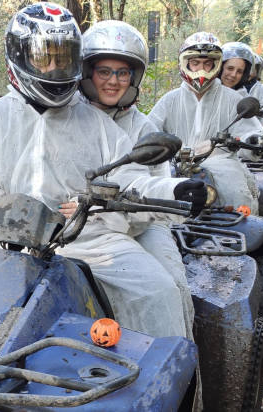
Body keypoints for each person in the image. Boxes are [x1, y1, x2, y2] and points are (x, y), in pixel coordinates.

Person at [0, 3, 203, 339]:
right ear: (20, 56)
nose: (55, 69)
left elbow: (130, 179)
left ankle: (173, 385)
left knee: (159, 292)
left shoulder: (95, 121)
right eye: (44, 58)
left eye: (64, 58)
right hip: (12, 241)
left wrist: (173, 190)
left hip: (93, 240)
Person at [73, 19, 198, 341]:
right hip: (79, 222)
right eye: (104, 71)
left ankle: (177, 370)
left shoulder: (142, 127)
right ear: (87, 73)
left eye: (122, 73)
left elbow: (152, 184)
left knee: (170, 288)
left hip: (144, 221)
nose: (113, 81)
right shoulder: (65, 117)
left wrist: (177, 192)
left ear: (134, 77)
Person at [147, 32, 263, 214]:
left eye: (207, 63)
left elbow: (250, 131)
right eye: (196, 63)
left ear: (216, 64)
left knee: (240, 204)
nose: (202, 69)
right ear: (185, 63)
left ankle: (238, 238)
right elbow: (149, 131)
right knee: (152, 209)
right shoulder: (169, 100)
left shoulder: (233, 99)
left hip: (223, 167)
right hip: (174, 164)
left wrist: (255, 140)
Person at [220, 42, 263, 122]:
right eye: (230, 68)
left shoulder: (246, 91)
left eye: (240, 71)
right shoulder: (210, 88)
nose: (233, 74)